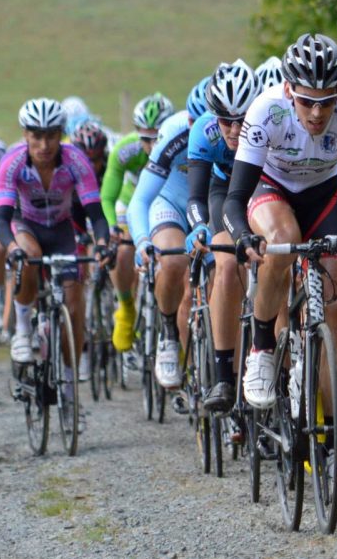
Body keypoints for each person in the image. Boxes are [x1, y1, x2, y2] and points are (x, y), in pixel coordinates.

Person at [224, 33, 337, 498]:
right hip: (270, 189)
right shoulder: (266, 109)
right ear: (290, 90)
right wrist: (242, 236)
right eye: (308, 101)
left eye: (327, 102)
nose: (316, 113)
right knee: (283, 240)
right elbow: (234, 197)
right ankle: (263, 348)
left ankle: (335, 446)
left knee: (336, 312)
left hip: (323, 196)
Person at [0, 99, 111, 390]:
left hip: (61, 230)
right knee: (29, 256)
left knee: (73, 307)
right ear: (25, 135)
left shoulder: (76, 160)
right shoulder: (12, 162)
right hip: (26, 226)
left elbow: (95, 214)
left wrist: (102, 244)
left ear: (61, 134)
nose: (44, 145)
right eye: (37, 136)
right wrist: (12, 250)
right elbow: (1, 218)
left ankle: (70, 388)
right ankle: (22, 332)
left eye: (51, 136)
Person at [184, 60, 260, 416]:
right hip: (220, 190)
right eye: (225, 120)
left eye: (241, 120)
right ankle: (223, 376)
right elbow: (196, 197)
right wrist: (199, 226)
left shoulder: (268, 123)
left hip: (260, 188)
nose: (233, 129)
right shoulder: (204, 131)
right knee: (227, 264)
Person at [126, 81, 209, 390]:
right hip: (172, 202)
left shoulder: (234, 131)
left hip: (211, 208)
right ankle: (168, 335)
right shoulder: (174, 133)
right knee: (172, 264)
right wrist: (142, 240)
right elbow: (141, 199)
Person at [101, 93, 173, 352]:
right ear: (136, 134)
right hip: (130, 202)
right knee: (122, 253)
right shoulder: (125, 150)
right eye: (146, 139)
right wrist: (112, 227)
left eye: (158, 137)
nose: (153, 146)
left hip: (164, 202)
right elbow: (108, 197)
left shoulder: (178, 145)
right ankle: (127, 307)